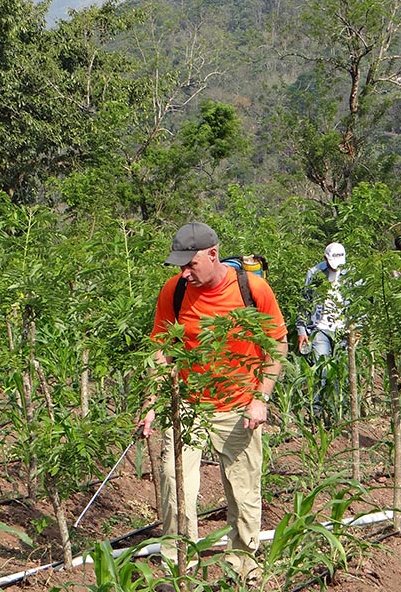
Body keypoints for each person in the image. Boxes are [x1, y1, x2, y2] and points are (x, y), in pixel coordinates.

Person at [137, 222, 288, 582]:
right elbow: (162, 351)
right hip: (188, 405)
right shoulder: (174, 291)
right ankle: (178, 569)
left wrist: (260, 397)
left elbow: (277, 343)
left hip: (238, 407)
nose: (183, 273)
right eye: (179, 266)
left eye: (190, 265)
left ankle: (243, 569)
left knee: (243, 493)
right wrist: (151, 403)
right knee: (176, 487)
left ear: (212, 254)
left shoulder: (252, 289)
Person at [296, 242, 349, 419]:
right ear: (326, 258)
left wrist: (358, 328)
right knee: (322, 371)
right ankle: (316, 413)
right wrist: (301, 330)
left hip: (344, 330)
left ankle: (338, 413)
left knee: (342, 373)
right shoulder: (315, 273)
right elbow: (304, 303)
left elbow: (359, 303)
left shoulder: (352, 275)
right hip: (320, 328)